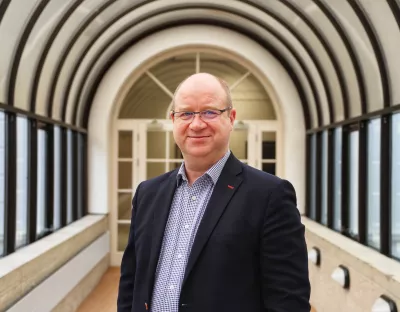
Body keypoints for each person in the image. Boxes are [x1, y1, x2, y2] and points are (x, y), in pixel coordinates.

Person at [117, 73, 311, 312]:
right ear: (173, 120)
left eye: (209, 112)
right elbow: (130, 282)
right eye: (186, 113)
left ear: (231, 118)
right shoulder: (147, 194)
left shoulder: (270, 196)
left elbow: (288, 302)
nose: (196, 124)